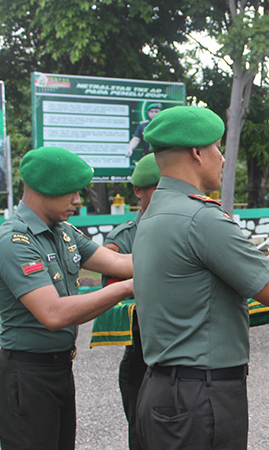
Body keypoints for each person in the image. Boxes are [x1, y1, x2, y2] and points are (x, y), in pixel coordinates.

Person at [132, 106, 269, 450]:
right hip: (199, 398)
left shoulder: (159, 212)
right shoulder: (201, 218)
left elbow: (250, 272)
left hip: (165, 390)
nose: (223, 159)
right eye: (217, 148)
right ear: (197, 153)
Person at [0, 146, 134, 449]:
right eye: (70, 192)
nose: (77, 201)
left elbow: (120, 263)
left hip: (58, 370)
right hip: (25, 376)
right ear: (43, 189)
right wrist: (127, 288)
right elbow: (53, 313)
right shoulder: (14, 240)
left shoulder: (63, 232)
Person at [99, 153, 160, 450]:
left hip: (184, 357)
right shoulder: (122, 239)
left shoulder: (188, 225)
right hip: (142, 355)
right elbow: (116, 299)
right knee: (142, 437)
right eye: (157, 188)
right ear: (139, 191)